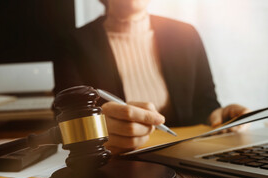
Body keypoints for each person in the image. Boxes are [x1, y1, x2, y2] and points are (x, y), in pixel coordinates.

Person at [53, 0, 249, 154]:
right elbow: (65, 116)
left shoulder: (185, 35)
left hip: (188, 156)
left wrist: (219, 116)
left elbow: (205, 105)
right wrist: (98, 131)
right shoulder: (72, 43)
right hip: (118, 162)